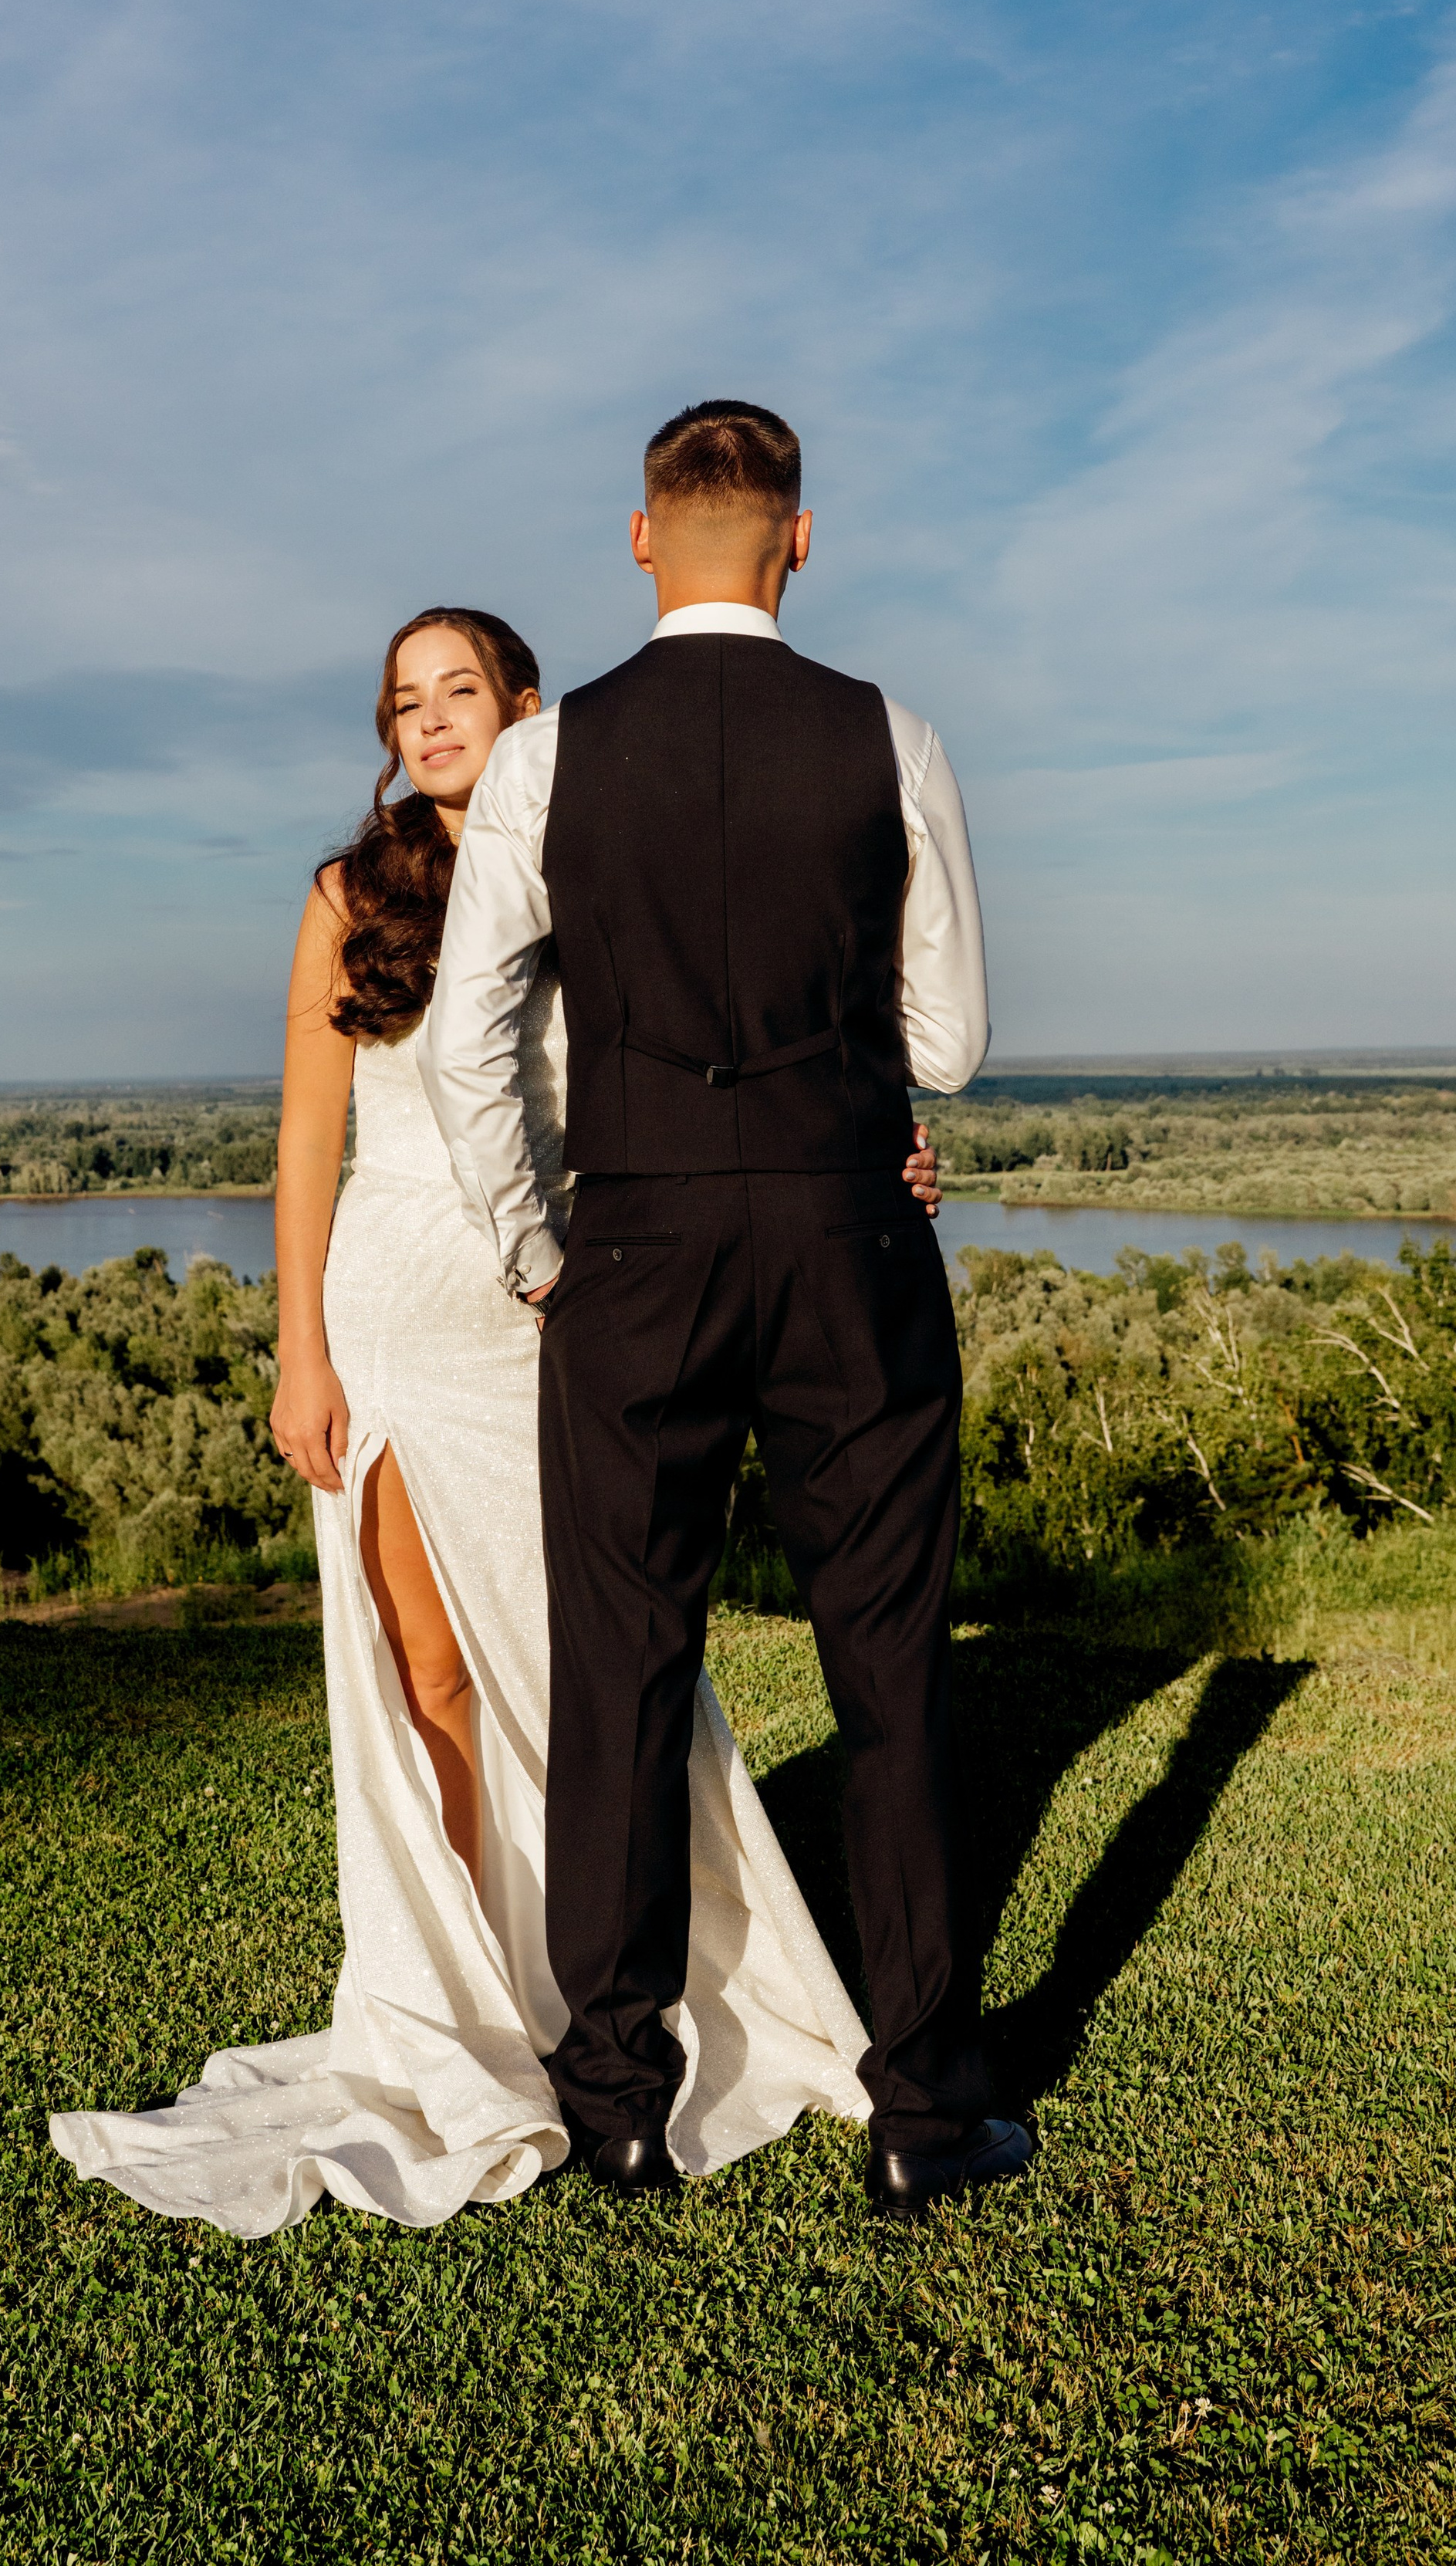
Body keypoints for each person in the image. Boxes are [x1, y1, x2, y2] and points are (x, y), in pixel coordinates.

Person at [47, 600, 942, 2235]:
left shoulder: (592, 851)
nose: (431, 721)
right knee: (433, 1672)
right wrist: (295, 1352)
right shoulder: (345, 896)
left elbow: (731, 1057)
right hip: (392, 1311)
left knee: (611, 1667)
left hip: (574, 1310)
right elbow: (303, 1142)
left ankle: (620, 1995)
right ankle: (469, 1997)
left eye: (461, 690)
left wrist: (866, 1150)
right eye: (405, 701)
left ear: (527, 708)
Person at [421, 401, 1035, 2218]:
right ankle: (922, 2101)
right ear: (798, 538)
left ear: (637, 540)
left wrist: (541, 1247)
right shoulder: (885, 733)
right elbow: (949, 1043)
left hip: (633, 1247)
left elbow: (471, 1043)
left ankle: (615, 2092)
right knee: (889, 1660)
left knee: (617, 1662)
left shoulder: (546, 760)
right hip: (847, 1226)